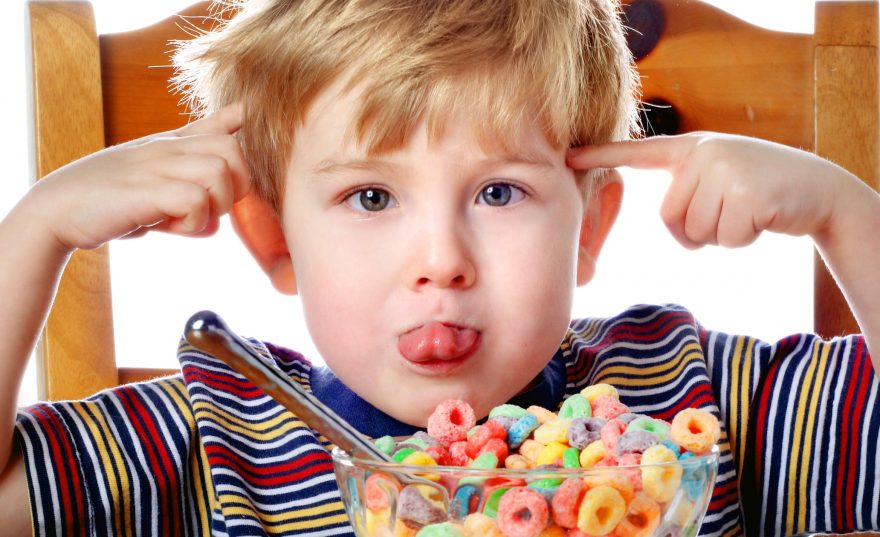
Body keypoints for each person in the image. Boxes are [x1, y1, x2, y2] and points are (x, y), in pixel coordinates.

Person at [0, 0, 878, 535]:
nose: (442, 262)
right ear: (275, 239)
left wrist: (850, 217)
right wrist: (31, 233)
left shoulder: (693, 398)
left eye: (498, 192)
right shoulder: (218, 441)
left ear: (589, 225)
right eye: (371, 196)